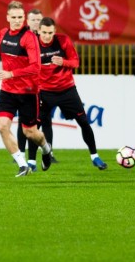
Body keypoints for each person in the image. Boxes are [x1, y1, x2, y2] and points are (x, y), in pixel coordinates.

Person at [0, 1, 54, 176]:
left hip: (28, 92)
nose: (18, 21)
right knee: (2, 126)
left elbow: (36, 67)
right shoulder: (3, 33)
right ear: (8, 17)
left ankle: (46, 150)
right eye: (14, 17)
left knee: (30, 132)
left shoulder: (29, 38)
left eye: (20, 17)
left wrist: (11, 73)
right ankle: (22, 164)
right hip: (8, 91)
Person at [36, 17, 105, 169]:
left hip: (67, 90)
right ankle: (39, 159)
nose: (47, 36)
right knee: (36, 126)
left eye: (50, 33)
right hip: (45, 92)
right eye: (44, 33)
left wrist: (63, 62)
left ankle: (95, 156)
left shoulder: (63, 41)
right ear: (39, 31)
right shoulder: (33, 44)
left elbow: (76, 62)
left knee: (84, 122)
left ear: (55, 32)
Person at [16, 8, 51, 167]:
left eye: (39, 19)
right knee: (24, 123)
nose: (36, 22)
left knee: (42, 121)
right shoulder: (23, 39)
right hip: (25, 87)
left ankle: (39, 155)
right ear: (27, 21)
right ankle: (22, 154)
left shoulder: (45, 40)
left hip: (43, 86)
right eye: (33, 20)